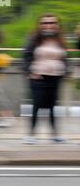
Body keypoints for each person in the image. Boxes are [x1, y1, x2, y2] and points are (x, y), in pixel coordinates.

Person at [22, 14, 68, 144]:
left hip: (55, 78)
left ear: (57, 25)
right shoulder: (34, 39)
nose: (48, 25)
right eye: (45, 23)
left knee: (53, 106)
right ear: (40, 25)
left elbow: (65, 58)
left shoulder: (60, 40)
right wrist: (29, 71)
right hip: (38, 78)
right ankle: (31, 135)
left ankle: (55, 134)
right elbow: (26, 56)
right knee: (37, 105)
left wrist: (65, 70)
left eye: (52, 22)